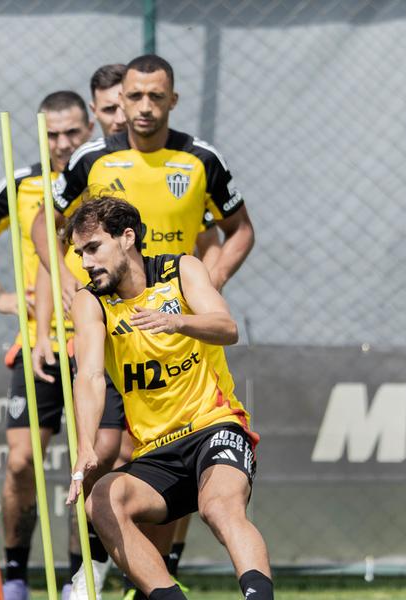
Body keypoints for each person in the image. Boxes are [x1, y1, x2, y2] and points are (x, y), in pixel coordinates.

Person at [32, 54, 251, 599]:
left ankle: (156, 568)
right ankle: (96, 566)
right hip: (117, 319)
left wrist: (211, 280)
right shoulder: (91, 159)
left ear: (172, 99)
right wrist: (65, 279)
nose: (146, 107)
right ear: (118, 101)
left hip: (179, 318)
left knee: (177, 449)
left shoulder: (200, 158)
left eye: (157, 96)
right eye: (136, 97)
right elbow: (45, 222)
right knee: (106, 451)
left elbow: (239, 229)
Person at [65, 197, 273, 600]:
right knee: (103, 500)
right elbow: (89, 375)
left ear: (127, 238)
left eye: (93, 249)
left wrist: (176, 320)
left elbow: (226, 327)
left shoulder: (181, 270)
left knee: (219, 508)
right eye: (79, 253)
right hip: (157, 449)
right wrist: (85, 444)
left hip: (215, 425)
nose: (85, 263)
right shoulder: (90, 301)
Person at [0, 90, 96, 600]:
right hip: (38, 343)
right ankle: (15, 573)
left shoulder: (102, 176)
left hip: (97, 343)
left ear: (90, 128)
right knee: (20, 461)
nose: (62, 143)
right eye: (53, 133)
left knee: (92, 461)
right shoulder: (21, 182)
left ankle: (84, 573)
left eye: (72, 133)